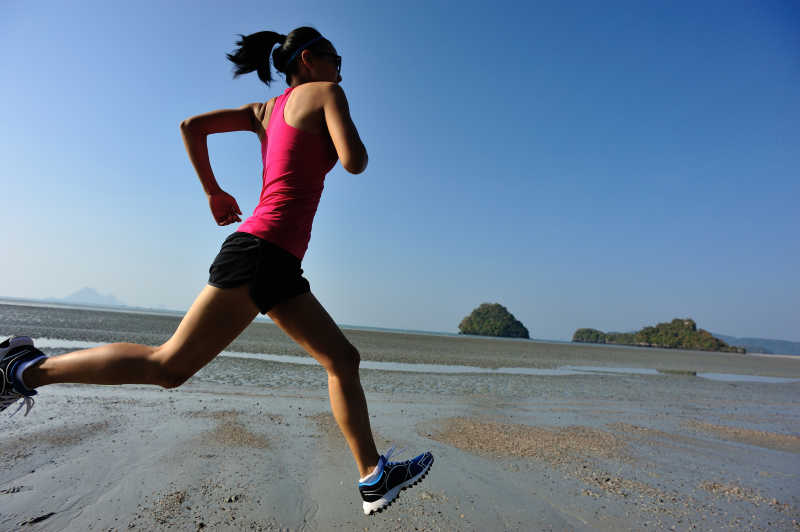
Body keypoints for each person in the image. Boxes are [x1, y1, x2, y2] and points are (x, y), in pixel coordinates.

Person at [0, 26, 432, 515]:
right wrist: (340, 111)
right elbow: (356, 162)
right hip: (261, 253)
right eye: (337, 60)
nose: (341, 70)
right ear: (310, 59)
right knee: (168, 366)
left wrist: (214, 191)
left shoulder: (262, 112)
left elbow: (191, 126)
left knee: (341, 360)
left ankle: (373, 477)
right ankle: (23, 370)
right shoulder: (327, 91)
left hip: (276, 261)